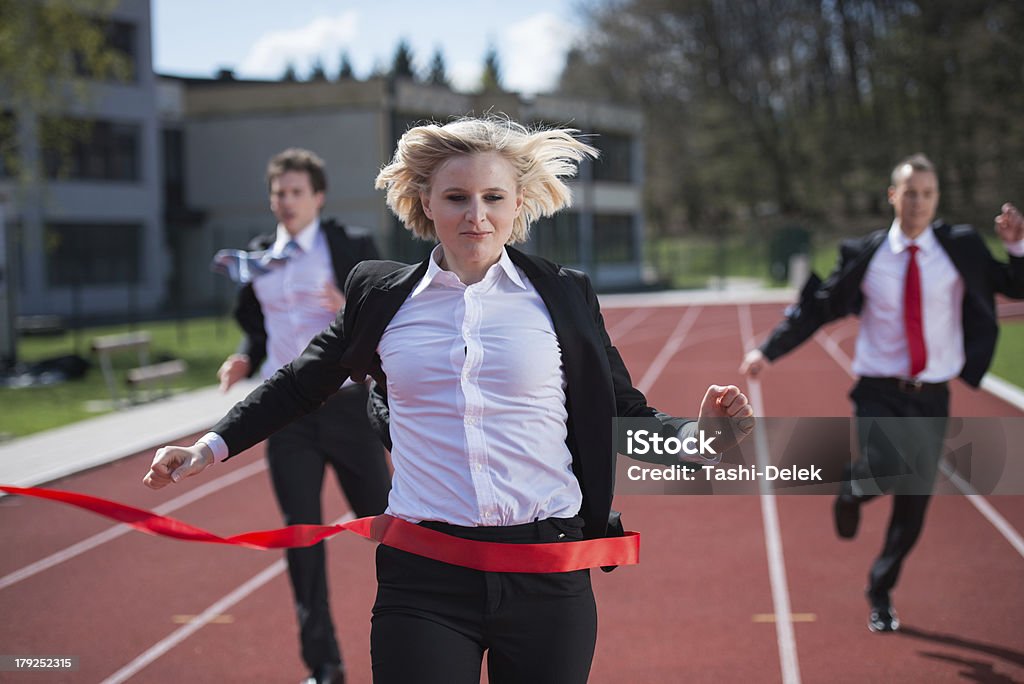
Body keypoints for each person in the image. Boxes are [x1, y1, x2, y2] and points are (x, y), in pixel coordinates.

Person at [146, 116, 755, 684]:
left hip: (546, 573)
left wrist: (702, 438)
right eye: (456, 198)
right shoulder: (381, 297)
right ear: (425, 204)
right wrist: (208, 446)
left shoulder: (565, 296)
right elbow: (302, 381)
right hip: (425, 579)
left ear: (518, 205)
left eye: (493, 198)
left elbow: (622, 411)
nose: (476, 216)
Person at [740, 154, 1024, 633]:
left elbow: (1016, 285)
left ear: (937, 199)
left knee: (913, 507)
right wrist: (766, 352)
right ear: (893, 196)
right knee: (885, 465)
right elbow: (817, 309)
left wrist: (1017, 247)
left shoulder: (962, 248)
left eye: (928, 193)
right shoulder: (866, 256)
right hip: (878, 390)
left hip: (932, 394)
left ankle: (881, 589)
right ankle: (851, 491)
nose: (919, 202)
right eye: (910, 192)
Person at [211, 148, 392, 684]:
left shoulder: (350, 246)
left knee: (390, 528)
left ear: (318, 197)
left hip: (347, 408)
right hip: (286, 416)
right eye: (278, 193)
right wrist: (246, 355)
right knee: (301, 538)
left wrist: (348, 306)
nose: (285, 202)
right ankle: (324, 666)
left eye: (295, 192)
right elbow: (261, 323)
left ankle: (417, 640)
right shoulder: (260, 256)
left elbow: (387, 316)